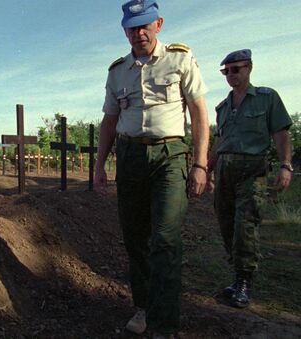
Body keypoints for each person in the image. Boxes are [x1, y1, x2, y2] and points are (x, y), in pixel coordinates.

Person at [93, 0, 210, 338]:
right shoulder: (117, 71)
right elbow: (110, 120)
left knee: (165, 238)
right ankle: (144, 307)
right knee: (135, 239)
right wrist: (100, 165)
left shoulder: (180, 59)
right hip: (129, 158)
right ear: (124, 30)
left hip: (170, 157)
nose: (138, 32)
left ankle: (164, 324)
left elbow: (199, 113)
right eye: (131, 27)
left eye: (144, 25)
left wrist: (200, 163)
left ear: (158, 23)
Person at [207, 49, 293, 309]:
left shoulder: (267, 98)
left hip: (251, 170)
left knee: (245, 225)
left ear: (249, 68)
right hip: (224, 170)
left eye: (237, 69)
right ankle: (236, 277)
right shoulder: (222, 107)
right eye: (226, 71)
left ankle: (244, 282)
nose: (231, 75)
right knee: (226, 223)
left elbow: (280, 133)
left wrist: (285, 165)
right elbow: (219, 141)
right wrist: (206, 168)